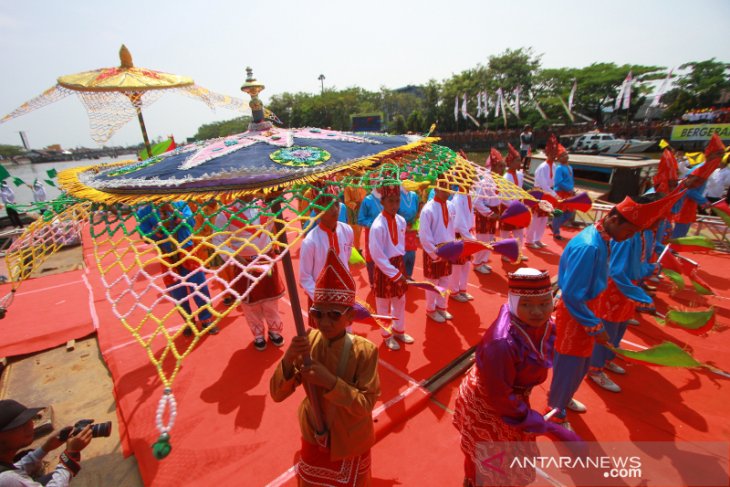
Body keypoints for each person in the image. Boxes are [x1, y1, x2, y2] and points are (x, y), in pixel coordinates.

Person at [547, 195, 665, 429]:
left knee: (580, 364)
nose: (628, 238)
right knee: (570, 365)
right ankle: (555, 412)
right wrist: (595, 325)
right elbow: (571, 294)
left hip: (587, 310)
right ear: (613, 218)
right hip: (577, 316)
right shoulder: (590, 246)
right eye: (629, 232)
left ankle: (562, 399)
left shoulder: (602, 239)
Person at [453, 268, 575, 487]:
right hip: (490, 403)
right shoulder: (502, 343)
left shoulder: (544, 324)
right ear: (514, 301)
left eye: (544, 303)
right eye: (527, 304)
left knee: (507, 460)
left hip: (513, 397)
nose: (538, 312)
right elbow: (500, 397)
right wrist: (550, 428)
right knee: (489, 462)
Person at [270, 248, 380, 487]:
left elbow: (365, 406)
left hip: (351, 440)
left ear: (350, 316)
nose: (324, 322)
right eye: (318, 313)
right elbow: (277, 394)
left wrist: (330, 382)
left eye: (334, 314)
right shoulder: (308, 344)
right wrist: (289, 359)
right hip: (314, 437)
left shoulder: (365, 351)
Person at [137, 202, 219, 336]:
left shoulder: (180, 203)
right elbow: (144, 235)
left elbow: (191, 222)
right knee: (176, 291)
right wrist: (157, 231)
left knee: (198, 286)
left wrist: (174, 211)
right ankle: (188, 321)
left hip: (186, 250)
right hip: (166, 254)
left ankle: (206, 319)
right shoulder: (144, 211)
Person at [213, 198, 285, 350]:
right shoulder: (225, 213)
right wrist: (236, 256)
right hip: (244, 265)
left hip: (267, 261)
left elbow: (272, 230)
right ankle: (258, 335)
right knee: (250, 305)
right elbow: (218, 242)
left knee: (270, 301)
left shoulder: (266, 206)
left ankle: (274, 331)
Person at [0, 399, 93, 486]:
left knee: (55, 476)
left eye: (29, 420)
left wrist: (46, 447)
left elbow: (17, 467)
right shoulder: (7, 479)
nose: (30, 425)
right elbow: (11, 477)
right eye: (20, 425)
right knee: (63, 475)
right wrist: (70, 454)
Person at [300, 191, 354, 330]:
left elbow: (345, 260)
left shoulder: (347, 230)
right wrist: (323, 299)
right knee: (323, 340)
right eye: (329, 206)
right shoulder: (310, 241)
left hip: (343, 297)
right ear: (317, 210)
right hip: (320, 302)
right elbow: (305, 278)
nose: (335, 209)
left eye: (336, 204)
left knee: (346, 335)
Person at [369, 182, 413, 350]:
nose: (395, 205)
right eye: (390, 201)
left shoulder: (401, 221)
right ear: (382, 202)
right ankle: (386, 335)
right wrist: (394, 274)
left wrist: (400, 271)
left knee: (400, 300)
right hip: (384, 268)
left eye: (397, 201)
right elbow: (377, 255)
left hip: (398, 264)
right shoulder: (377, 226)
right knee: (383, 304)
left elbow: (400, 248)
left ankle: (399, 330)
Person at [418, 178, 456, 323]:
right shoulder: (428, 209)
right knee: (432, 282)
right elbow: (424, 235)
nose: (447, 191)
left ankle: (441, 307)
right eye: (444, 187)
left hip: (448, 249)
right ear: (436, 189)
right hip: (433, 250)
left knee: (445, 280)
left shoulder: (451, 206)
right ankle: (430, 309)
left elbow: (451, 229)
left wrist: (452, 249)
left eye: (449, 187)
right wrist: (434, 253)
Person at [472, 154, 504, 274]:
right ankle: (477, 262)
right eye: (500, 167)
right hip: (485, 214)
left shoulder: (497, 180)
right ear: (494, 167)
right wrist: (490, 213)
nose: (502, 170)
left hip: (493, 212)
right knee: (483, 238)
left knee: (490, 238)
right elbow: (477, 202)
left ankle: (483, 261)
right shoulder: (484, 182)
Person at [526, 135, 559, 248]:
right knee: (535, 219)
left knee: (544, 219)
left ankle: (537, 239)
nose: (554, 155)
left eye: (555, 153)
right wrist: (555, 195)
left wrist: (556, 192)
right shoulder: (542, 167)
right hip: (539, 194)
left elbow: (553, 182)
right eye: (552, 153)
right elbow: (543, 185)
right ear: (547, 153)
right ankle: (529, 240)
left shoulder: (554, 166)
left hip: (548, 195)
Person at [502, 143, 530, 262]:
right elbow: (503, 197)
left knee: (519, 232)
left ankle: (518, 252)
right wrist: (513, 206)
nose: (520, 163)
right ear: (511, 162)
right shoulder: (505, 178)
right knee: (506, 233)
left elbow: (521, 189)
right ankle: (505, 254)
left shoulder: (519, 175)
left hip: (518, 207)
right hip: (508, 208)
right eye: (518, 161)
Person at [449, 183, 475, 303]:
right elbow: (459, 223)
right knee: (457, 266)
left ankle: (462, 288)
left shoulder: (468, 195)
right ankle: (454, 290)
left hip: (467, 234)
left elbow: (469, 217)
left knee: (466, 264)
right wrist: (469, 238)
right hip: (461, 235)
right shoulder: (458, 198)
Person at [357, 187, 383, 287]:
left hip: (385, 233)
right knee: (371, 256)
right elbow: (361, 219)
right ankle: (373, 281)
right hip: (371, 233)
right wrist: (373, 224)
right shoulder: (367, 200)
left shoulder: (387, 198)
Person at [551, 148, 576, 241]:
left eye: (566, 154)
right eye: (562, 155)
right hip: (561, 193)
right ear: (558, 159)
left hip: (569, 193)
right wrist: (569, 189)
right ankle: (556, 232)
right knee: (559, 213)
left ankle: (554, 226)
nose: (565, 156)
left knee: (569, 213)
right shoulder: (559, 168)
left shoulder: (570, 167)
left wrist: (572, 189)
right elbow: (558, 182)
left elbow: (570, 180)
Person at [397, 184, 420, 280]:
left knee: (412, 253)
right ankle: (400, 275)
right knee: (402, 253)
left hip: (412, 228)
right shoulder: (397, 195)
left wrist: (414, 221)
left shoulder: (414, 195)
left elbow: (418, 209)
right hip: (400, 228)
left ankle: (409, 275)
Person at [344, 184, 367, 254]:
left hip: (360, 210)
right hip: (352, 212)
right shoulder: (348, 187)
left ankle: (357, 248)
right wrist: (355, 204)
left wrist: (362, 203)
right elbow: (347, 201)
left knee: (359, 230)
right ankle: (352, 249)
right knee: (353, 230)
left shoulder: (361, 186)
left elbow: (364, 196)